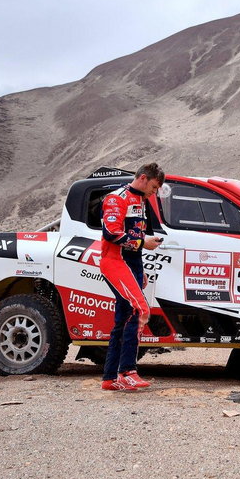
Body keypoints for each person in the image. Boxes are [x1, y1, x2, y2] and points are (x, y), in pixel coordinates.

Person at [99, 162, 166, 391]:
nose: (154, 192)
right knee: (140, 310)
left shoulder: (141, 201)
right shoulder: (116, 198)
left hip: (132, 264)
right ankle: (127, 371)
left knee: (124, 316)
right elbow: (111, 233)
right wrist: (143, 242)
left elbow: (133, 236)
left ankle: (110, 378)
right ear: (144, 178)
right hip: (116, 262)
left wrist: (140, 268)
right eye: (154, 187)